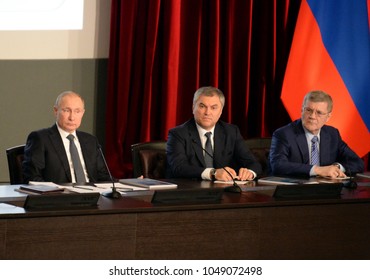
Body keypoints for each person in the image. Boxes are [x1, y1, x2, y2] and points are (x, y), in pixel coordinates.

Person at [166, 86, 262, 181]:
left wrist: (249, 172)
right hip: (190, 191)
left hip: (224, 191)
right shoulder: (178, 134)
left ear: (220, 111)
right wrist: (213, 173)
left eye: (213, 108)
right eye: (202, 106)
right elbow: (178, 167)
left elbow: (253, 164)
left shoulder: (231, 131)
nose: (207, 112)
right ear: (193, 107)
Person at [269, 90, 364, 178]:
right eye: (308, 110)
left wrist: (335, 168)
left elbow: (357, 162)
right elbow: (278, 165)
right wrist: (317, 170)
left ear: (328, 117)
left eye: (319, 113)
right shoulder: (284, 134)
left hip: (327, 190)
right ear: (302, 110)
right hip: (295, 191)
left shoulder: (332, 134)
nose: (312, 116)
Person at [23, 91, 111, 184]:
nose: (72, 117)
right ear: (56, 111)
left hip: (92, 195)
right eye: (67, 110)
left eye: (77, 111)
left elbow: (104, 176)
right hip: (59, 196)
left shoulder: (91, 140)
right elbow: (32, 177)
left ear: (82, 113)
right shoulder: (40, 138)